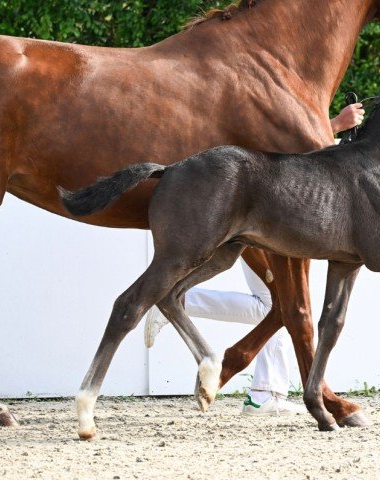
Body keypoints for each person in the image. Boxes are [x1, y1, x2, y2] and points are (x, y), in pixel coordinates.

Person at [144, 102, 366, 415]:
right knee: (275, 305)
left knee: (279, 306)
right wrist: (337, 125)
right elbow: (289, 151)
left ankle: (266, 390)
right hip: (259, 215)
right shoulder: (275, 103)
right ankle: (181, 302)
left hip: (263, 209)